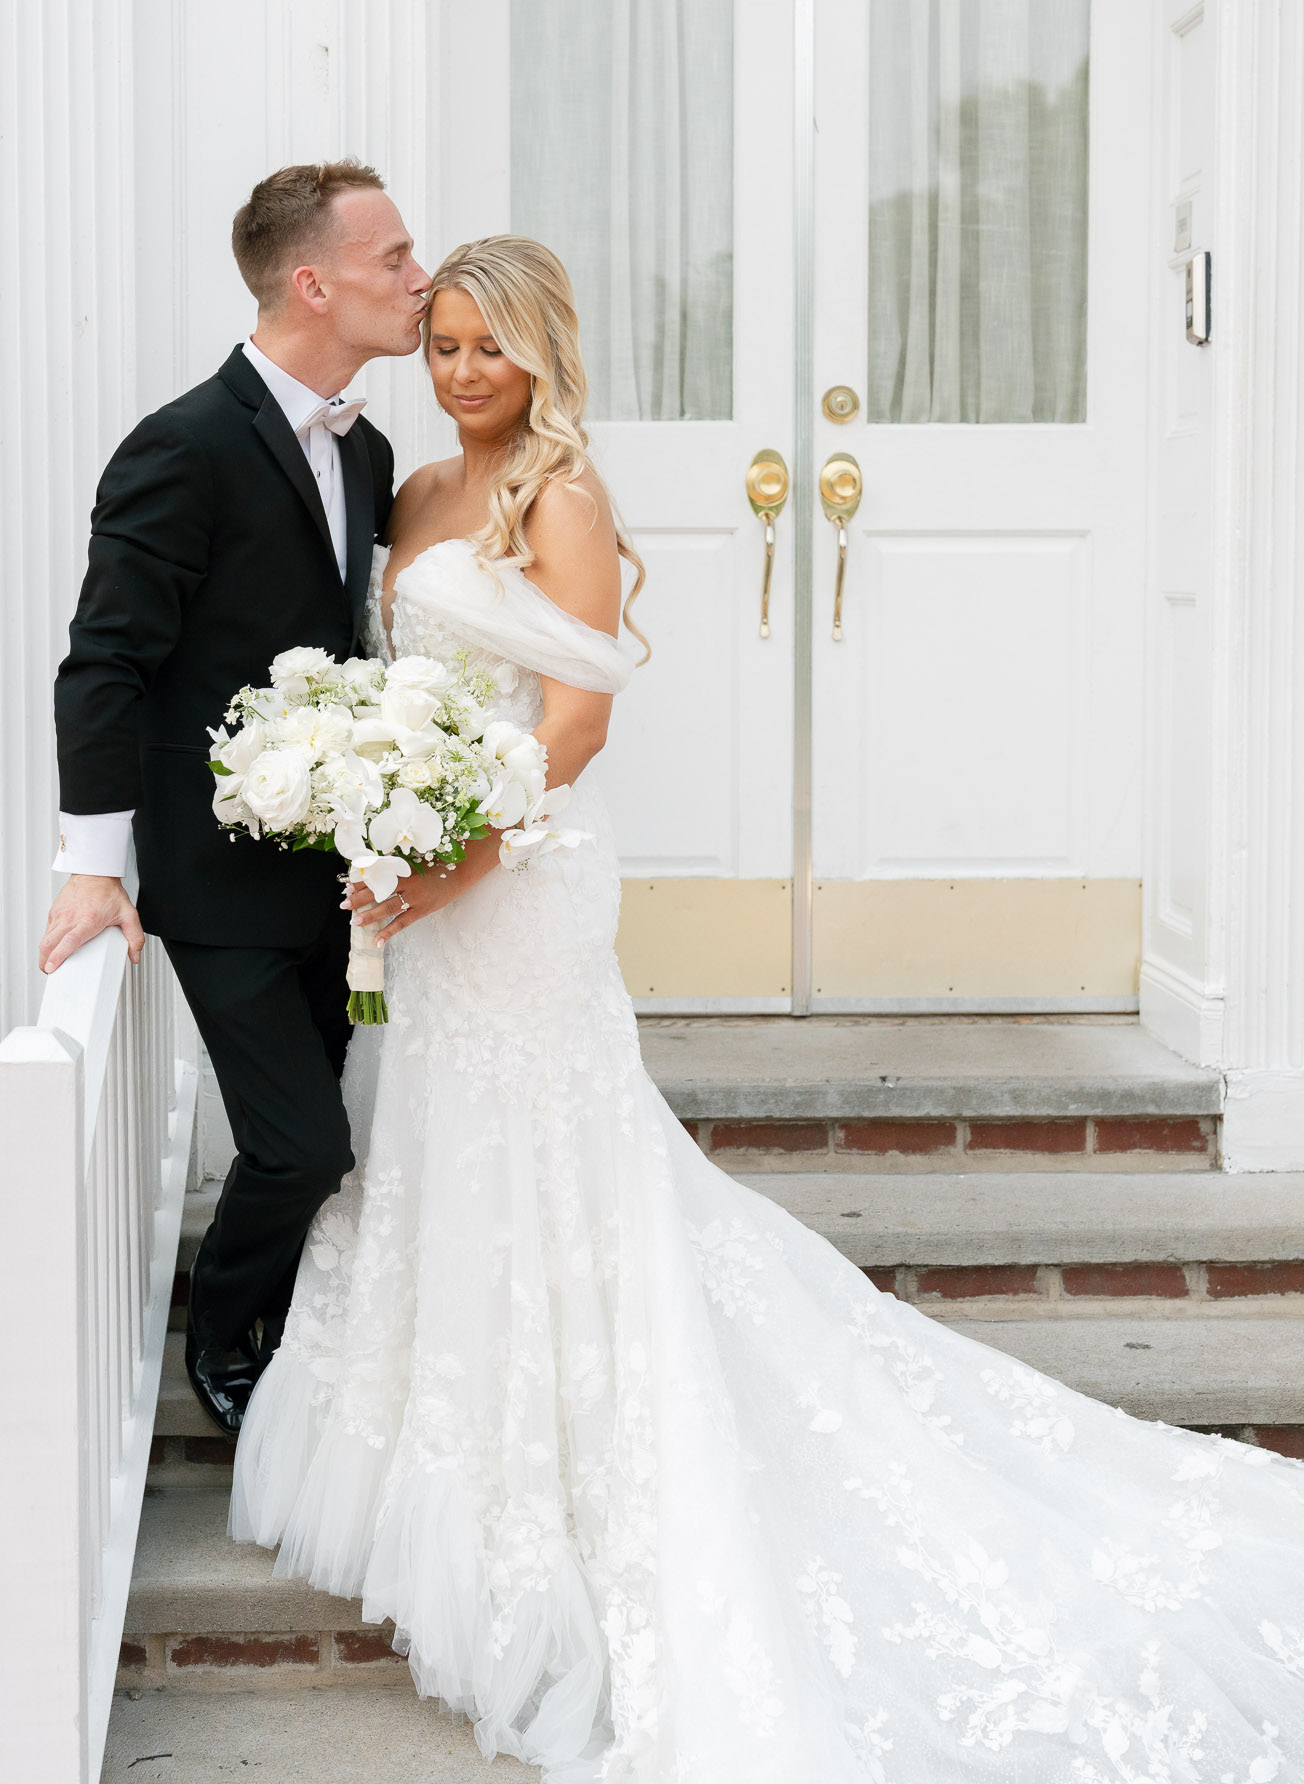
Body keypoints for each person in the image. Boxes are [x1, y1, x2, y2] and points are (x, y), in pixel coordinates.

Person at [235, 233, 1304, 1780]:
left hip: (518, 883)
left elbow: (582, 725)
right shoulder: (410, 496)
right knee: (443, 1140)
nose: (463, 372)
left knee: (560, 1154)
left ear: (542, 352)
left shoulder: (566, 498)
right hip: (429, 894)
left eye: (490, 348)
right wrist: (376, 826)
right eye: (446, 343)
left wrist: (445, 866)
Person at [42, 160, 430, 1437]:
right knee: (299, 1142)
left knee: (325, 1126)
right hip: (213, 876)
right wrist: (93, 864)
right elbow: (106, 662)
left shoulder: (366, 448)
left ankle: (281, 1328)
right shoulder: (182, 444)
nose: (416, 281)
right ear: (312, 281)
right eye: (393, 259)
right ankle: (219, 1329)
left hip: (333, 874)